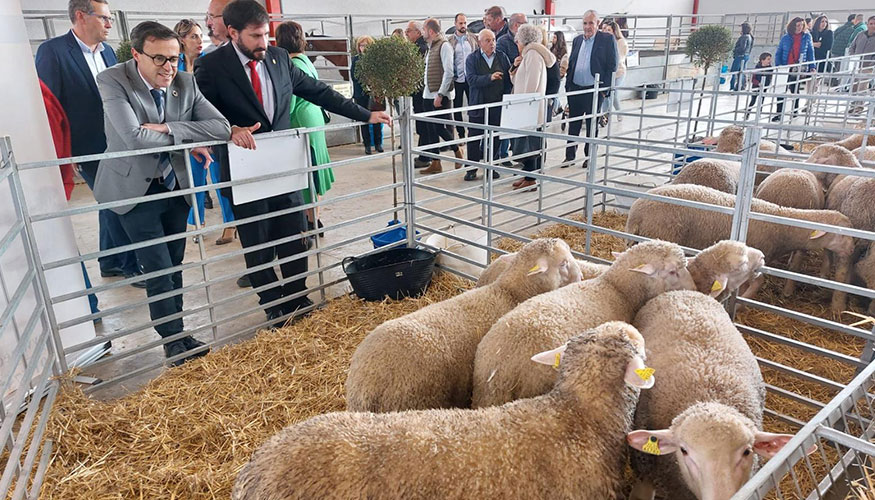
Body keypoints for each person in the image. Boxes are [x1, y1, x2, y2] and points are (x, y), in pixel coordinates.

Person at [194, 0, 390, 327]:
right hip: (246, 169)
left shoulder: (279, 58)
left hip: (285, 164)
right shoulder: (211, 67)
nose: (264, 43)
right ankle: (273, 303)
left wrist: (365, 114)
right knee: (256, 240)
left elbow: (318, 91)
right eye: (256, 36)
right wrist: (229, 130)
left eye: (266, 35)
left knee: (294, 233)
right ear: (232, 32)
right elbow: (199, 111)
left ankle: (298, 295)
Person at [93, 21, 231, 365]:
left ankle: (178, 331)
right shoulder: (113, 80)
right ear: (136, 54)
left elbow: (222, 127)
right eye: (159, 59)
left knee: (174, 263)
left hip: (175, 185)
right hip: (134, 189)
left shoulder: (185, 80)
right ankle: (171, 340)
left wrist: (171, 128)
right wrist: (190, 138)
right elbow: (134, 138)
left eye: (173, 58)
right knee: (156, 267)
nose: (169, 67)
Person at [35, 0, 144, 288]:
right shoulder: (53, 51)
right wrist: (61, 153)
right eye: (104, 18)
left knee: (110, 200)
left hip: (116, 140)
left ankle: (109, 261)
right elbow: (50, 106)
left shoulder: (107, 52)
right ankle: (129, 264)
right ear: (81, 16)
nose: (110, 24)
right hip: (86, 145)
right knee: (118, 200)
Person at [40, 79, 101, 322]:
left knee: (55, 243)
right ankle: (86, 307)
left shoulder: (27, 87)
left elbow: (54, 122)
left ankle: (85, 309)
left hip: (42, 183)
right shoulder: (52, 54)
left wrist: (59, 177)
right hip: (45, 180)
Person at [174, 18, 237, 246]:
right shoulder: (174, 65)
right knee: (194, 181)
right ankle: (197, 223)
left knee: (222, 179)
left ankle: (230, 225)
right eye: (193, 36)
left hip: (213, 130)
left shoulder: (210, 62)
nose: (200, 41)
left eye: (201, 36)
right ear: (181, 40)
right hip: (188, 133)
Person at [276, 20, 336, 237]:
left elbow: (289, 103)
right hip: (313, 119)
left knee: (306, 174)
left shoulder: (291, 65)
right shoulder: (306, 61)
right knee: (315, 170)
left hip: (300, 122)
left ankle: (309, 222)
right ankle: (315, 218)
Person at [564, 10, 618, 168]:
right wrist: (568, 85)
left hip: (594, 91)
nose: (587, 27)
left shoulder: (607, 39)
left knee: (591, 125)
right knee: (573, 124)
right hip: (575, 89)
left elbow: (612, 66)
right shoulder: (577, 40)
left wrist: (603, 90)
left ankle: (589, 156)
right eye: (585, 23)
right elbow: (572, 63)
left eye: (591, 23)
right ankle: (569, 156)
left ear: (598, 23)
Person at [509, 24, 555, 191]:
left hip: (529, 106)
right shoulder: (528, 55)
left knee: (530, 144)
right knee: (526, 142)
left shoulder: (533, 55)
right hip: (526, 105)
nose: (517, 43)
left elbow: (532, 83)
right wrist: (515, 67)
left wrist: (523, 103)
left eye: (518, 40)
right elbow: (517, 81)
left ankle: (531, 179)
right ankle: (528, 176)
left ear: (523, 40)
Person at [464, 28, 511, 181]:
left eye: (493, 40)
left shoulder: (502, 57)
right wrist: (489, 78)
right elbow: (471, 80)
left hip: (497, 105)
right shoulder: (472, 59)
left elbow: (509, 80)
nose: (492, 43)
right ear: (480, 43)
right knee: (474, 138)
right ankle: (471, 168)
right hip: (478, 105)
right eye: (488, 41)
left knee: (495, 137)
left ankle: (492, 166)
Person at [419, 18, 463, 175]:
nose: (423, 33)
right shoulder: (431, 47)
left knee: (439, 127)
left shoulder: (444, 46)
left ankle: (457, 151)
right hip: (428, 93)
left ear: (431, 31)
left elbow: (449, 72)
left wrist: (440, 94)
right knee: (431, 130)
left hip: (439, 95)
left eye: (424, 30)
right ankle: (436, 162)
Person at [772, 17, 816, 122]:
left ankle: (795, 110)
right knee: (781, 91)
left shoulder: (806, 37)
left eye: (801, 25)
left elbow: (810, 52)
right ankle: (779, 113)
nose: (800, 27)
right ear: (793, 26)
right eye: (797, 25)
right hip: (785, 67)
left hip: (798, 67)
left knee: (795, 89)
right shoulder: (785, 38)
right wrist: (779, 66)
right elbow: (779, 52)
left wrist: (812, 66)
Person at [350, 35, 382, 155]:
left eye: (366, 45)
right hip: (361, 94)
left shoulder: (376, 59)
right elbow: (354, 76)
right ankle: (367, 144)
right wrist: (365, 84)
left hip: (375, 94)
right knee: (364, 118)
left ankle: (378, 143)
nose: (363, 48)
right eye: (361, 45)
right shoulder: (356, 60)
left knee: (377, 118)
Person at [406, 20, 431, 169]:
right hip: (419, 92)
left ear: (418, 32)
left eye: (409, 31)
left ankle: (425, 157)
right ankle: (425, 155)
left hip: (421, 92)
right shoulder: (417, 47)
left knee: (423, 125)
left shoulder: (420, 48)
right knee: (422, 124)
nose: (406, 33)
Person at [450, 13, 478, 140]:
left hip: (470, 78)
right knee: (457, 107)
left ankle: (473, 131)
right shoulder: (450, 41)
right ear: (455, 24)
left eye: (465, 23)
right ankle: (461, 134)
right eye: (460, 23)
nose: (463, 26)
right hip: (457, 79)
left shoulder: (472, 39)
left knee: (473, 105)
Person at [599, 21, 627, 125]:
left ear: (615, 31)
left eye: (609, 30)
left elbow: (619, 59)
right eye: (605, 30)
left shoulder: (621, 42)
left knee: (612, 94)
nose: (606, 32)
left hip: (619, 72)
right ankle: (606, 116)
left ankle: (609, 115)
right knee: (608, 93)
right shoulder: (604, 41)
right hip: (608, 72)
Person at [549, 30, 569, 121]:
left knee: (554, 93)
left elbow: (564, 64)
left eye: (555, 37)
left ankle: (556, 108)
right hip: (552, 74)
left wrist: (561, 74)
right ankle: (559, 107)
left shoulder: (563, 51)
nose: (553, 39)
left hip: (558, 75)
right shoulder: (551, 49)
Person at [729, 22, 754, 91]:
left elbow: (742, 48)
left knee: (734, 72)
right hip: (746, 56)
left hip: (740, 56)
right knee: (742, 72)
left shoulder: (744, 37)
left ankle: (732, 86)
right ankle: (742, 86)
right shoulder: (750, 37)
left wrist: (735, 50)